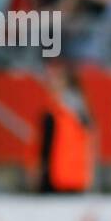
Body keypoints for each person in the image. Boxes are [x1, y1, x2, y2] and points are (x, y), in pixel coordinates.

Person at [38, 63, 95, 193]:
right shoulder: (65, 109)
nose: (52, 83)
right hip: (66, 175)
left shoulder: (69, 111)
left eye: (57, 79)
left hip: (63, 177)